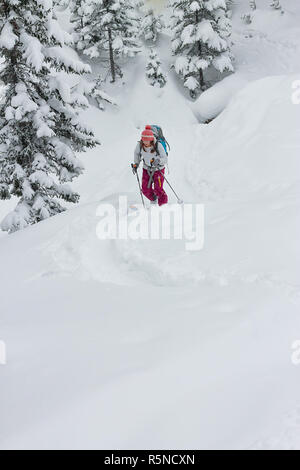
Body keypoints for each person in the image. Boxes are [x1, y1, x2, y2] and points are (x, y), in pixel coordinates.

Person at [132, 127, 168, 206]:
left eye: (147, 140)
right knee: (145, 189)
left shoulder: (158, 145)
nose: (145, 142)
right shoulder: (140, 144)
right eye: (143, 140)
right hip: (146, 169)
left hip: (158, 170)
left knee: (158, 189)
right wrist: (136, 164)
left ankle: (163, 206)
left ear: (151, 139)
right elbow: (136, 154)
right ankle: (153, 199)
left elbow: (165, 158)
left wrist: (158, 161)